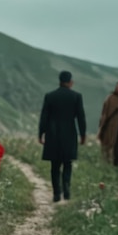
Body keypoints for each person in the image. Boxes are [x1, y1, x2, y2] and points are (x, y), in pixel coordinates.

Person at [39, 70, 86, 202]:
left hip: (53, 134)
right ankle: (66, 190)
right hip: (69, 134)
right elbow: (81, 117)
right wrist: (82, 135)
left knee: (55, 165)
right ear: (70, 82)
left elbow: (44, 117)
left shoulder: (50, 96)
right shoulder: (76, 96)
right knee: (68, 163)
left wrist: (41, 133)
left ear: (60, 81)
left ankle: (56, 193)